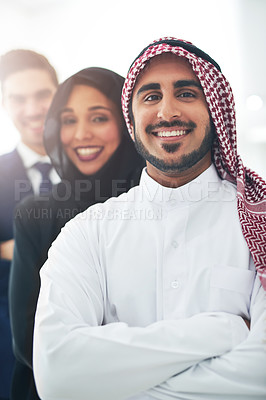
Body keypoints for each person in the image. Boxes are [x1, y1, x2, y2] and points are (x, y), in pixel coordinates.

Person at [33, 38, 266, 400]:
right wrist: (228, 331)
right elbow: (57, 376)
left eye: (187, 93)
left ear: (215, 109)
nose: (167, 112)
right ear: (132, 117)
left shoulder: (259, 220)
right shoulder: (86, 233)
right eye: (151, 96)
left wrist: (108, 386)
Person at [9, 66, 145, 400]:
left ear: (128, 124)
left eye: (99, 118)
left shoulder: (154, 206)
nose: (81, 134)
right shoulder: (36, 215)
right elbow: (30, 342)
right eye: (68, 120)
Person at [0, 49, 58, 400]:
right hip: (8, 346)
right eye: (18, 99)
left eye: (42, 95)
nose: (33, 109)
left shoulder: (93, 166)